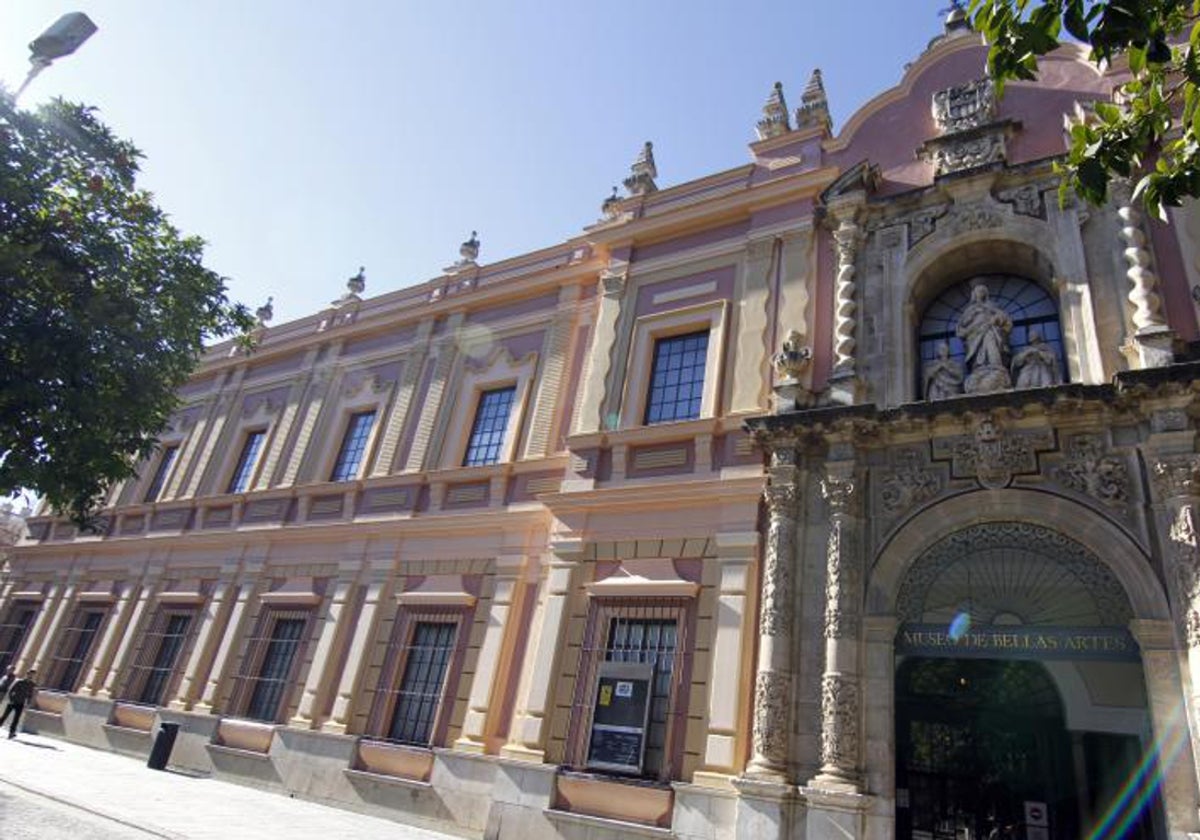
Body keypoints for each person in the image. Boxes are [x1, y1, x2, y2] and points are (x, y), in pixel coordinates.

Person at [955, 284, 1013, 374]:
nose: (980, 293)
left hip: (990, 329)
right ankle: (978, 366)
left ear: (986, 294)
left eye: (983, 291)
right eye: (978, 291)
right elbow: (963, 324)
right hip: (974, 333)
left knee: (991, 343)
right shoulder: (970, 309)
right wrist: (974, 313)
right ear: (974, 294)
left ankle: (995, 364)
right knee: (978, 350)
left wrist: (996, 319)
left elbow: (1004, 318)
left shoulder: (991, 305)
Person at [0, 669, 37, 739]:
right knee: (4, 716)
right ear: (27, 674)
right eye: (30, 674)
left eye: (33, 675)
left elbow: (30, 695)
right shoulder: (19, 681)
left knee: (16, 719)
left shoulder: (31, 684)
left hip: (21, 703)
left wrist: (28, 703)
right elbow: (11, 690)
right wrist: (11, 699)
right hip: (13, 702)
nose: (31, 676)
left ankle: (11, 733)